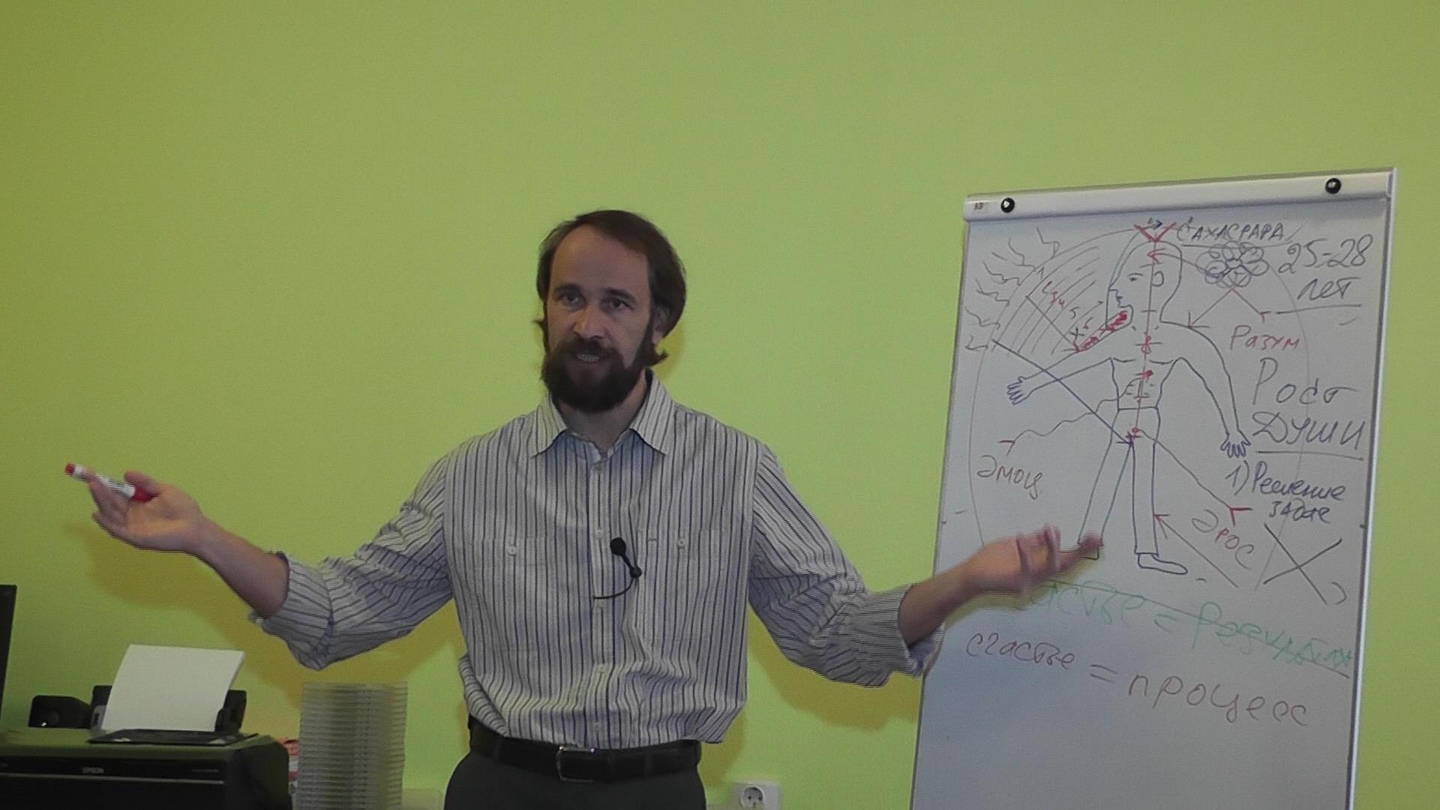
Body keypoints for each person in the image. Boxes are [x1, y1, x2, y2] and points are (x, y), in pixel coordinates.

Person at [82, 209, 1102, 810]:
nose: (589, 322)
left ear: (660, 326)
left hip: (658, 795)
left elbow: (832, 633)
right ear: (544, 313)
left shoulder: (735, 468)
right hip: (500, 792)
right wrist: (204, 536)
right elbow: (341, 612)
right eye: (571, 297)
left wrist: (963, 582)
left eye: (617, 303)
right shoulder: (469, 476)